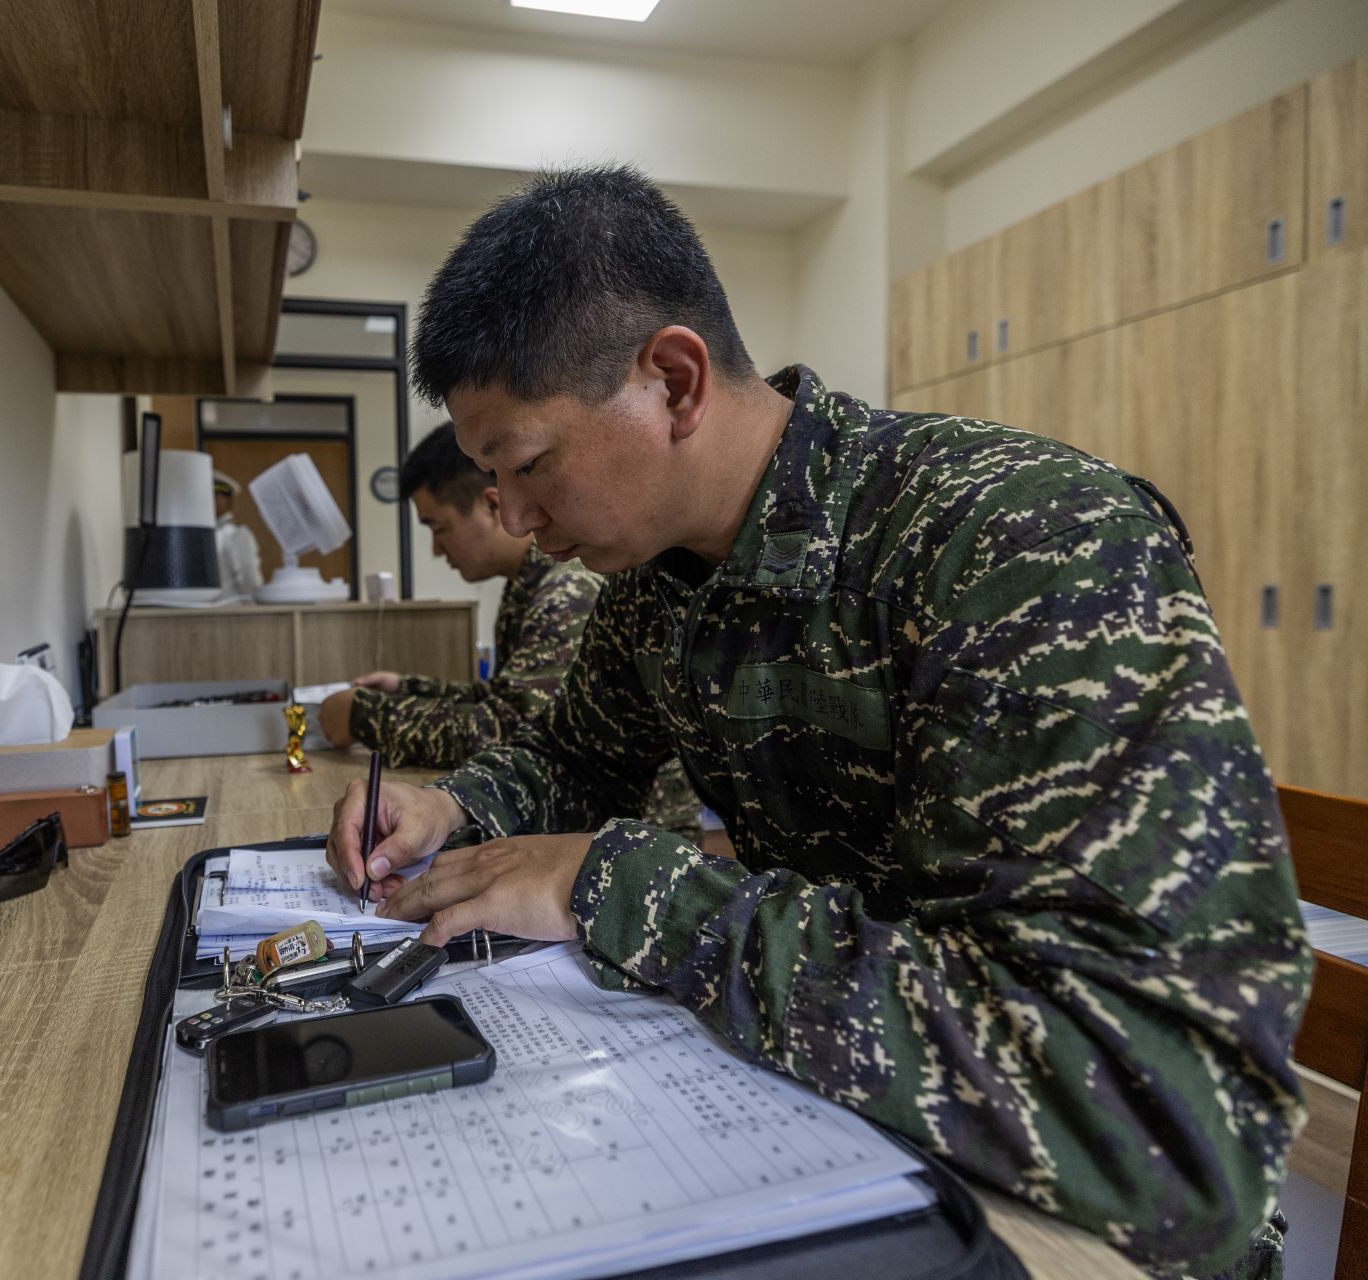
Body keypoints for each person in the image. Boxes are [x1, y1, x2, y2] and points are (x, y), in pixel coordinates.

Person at [324, 165, 1308, 1280]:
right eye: (492, 479)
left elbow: (1153, 1118)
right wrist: (452, 804)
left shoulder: (1026, 541)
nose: (513, 517)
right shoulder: (654, 579)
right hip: (835, 1125)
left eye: (530, 464)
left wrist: (624, 884)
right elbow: (576, 754)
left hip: (1069, 1229)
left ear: (673, 382)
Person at [318, 422, 699, 833]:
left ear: (491, 506)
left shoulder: (566, 590)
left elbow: (511, 731)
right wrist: (407, 688)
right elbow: (504, 698)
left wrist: (367, 715)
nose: (436, 549)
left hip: (638, 839)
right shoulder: (526, 585)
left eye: (439, 528)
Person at [211, 470, 262, 602]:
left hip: (232, 611)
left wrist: (256, 607)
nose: (208, 501)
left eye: (214, 496)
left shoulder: (236, 533)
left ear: (228, 501)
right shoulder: (200, 533)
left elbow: (249, 577)